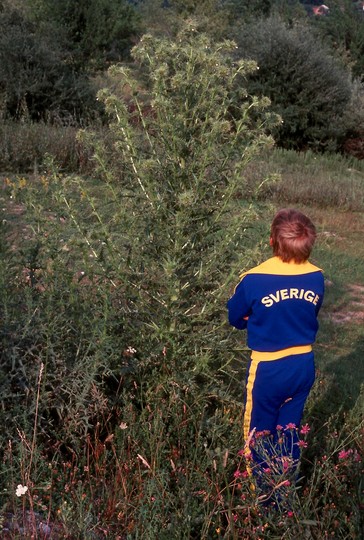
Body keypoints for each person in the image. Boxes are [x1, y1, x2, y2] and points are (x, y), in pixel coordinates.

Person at [227, 208, 324, 487]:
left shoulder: (254, 279)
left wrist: (255, 319)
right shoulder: (316, 277)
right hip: (303, 364)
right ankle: (285, 491)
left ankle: (261, 500)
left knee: (258, 430)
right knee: (289, 430)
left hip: (268, 369)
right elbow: (308, 310)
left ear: (271, 240)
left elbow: (235, 316)